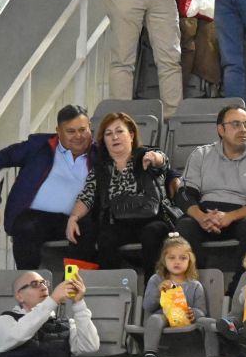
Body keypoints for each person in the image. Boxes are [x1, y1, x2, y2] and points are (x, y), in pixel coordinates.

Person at [0, 105, 93, 270]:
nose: (78, 136)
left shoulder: (99, 152)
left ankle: (71, 288)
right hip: (36, 218)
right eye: (71, 131)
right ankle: (31, 285)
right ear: (58, 131)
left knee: (88, 228)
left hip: (77, 218)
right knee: (26, 226)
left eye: (83, 130)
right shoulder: (38, 147)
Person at [66, 111, 174, 271]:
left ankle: (153, 289)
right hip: (118, 222)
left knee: (152, 233)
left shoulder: (146, 156)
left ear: (131, 135)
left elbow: (162, 162)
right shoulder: (101, 168)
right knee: (105, 237)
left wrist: (154, 158)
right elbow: (86, 196)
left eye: (119, 131)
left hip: (152, 218)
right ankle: (109, 287)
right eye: (108, 134)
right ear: (104, 141)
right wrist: (73, 217)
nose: (114, 137)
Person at [177, 104, 246, 264]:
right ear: (221, 130)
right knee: (185, 226)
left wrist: (230, 217)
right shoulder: (201, 154)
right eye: (236, 124)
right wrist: (201, 217)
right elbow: (184, 193)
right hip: (205, 214)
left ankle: (238, 287)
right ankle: (196, 283)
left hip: (242, 215)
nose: (243, 129)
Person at [145, 232, 216, 357]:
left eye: (183, 258)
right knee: (154, 319)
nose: (177, 262)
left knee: (209, 322)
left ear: (190, 261)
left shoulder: (195, 285)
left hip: (187, 318)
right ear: (164, 260)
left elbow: (202, 310)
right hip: (164, 315)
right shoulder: (156, 279)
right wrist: (158, 291)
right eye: (172, 258)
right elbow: (148, 306)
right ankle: (150, 354)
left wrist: (194, 313)